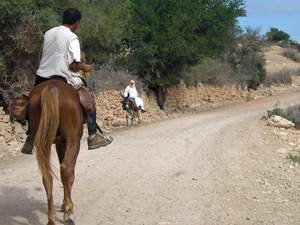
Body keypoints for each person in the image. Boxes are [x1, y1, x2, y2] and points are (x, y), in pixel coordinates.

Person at [21, 8, 113, 154]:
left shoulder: (48, 33)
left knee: (31, 102)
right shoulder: (72, 38)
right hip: (61, 76)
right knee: (88, 100)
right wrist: (85, 66)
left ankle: (31, 135)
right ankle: (93, 135)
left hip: (41, 77)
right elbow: (73, 65)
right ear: (77, 23)